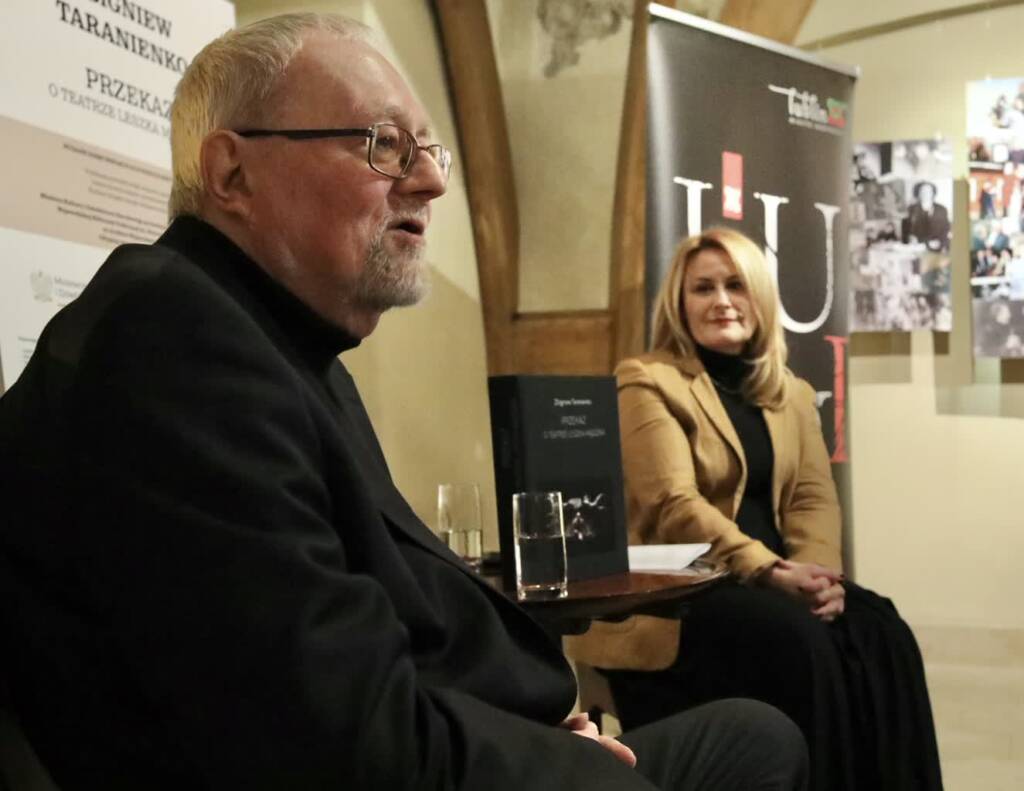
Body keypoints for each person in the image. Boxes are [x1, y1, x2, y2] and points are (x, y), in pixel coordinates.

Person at [0, 14, 809, 791]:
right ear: (232, 173)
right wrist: (552, 753)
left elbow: (391, 623)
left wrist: (536, 726)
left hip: (446, 731)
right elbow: (341, 743)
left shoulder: (281, 345)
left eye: (428, 149)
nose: (430, 181)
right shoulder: (172, 338)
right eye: (383, 144)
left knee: (755, 735)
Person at [566, 227, 943, 791]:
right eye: (703, 288)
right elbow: (673, 503)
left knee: (882, 631)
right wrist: (768, 570)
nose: (721, 300)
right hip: (681, 593)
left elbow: (813, 499)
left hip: (776, 582)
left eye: (736, 285)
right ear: (680, 303)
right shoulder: (646, 380)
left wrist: (819, 577)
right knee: (799, 644)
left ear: (759, 298)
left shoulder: (790, 392)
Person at [902, 180, 951, 252]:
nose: (925, 193)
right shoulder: (911, 209)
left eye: (928, 191)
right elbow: (906, 231)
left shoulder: (941, 209)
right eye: (922, 191)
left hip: (936, 247)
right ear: (918, 193)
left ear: (933, 193)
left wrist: (939, 242)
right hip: (917, 248)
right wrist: (909, 237)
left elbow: (945, 230)